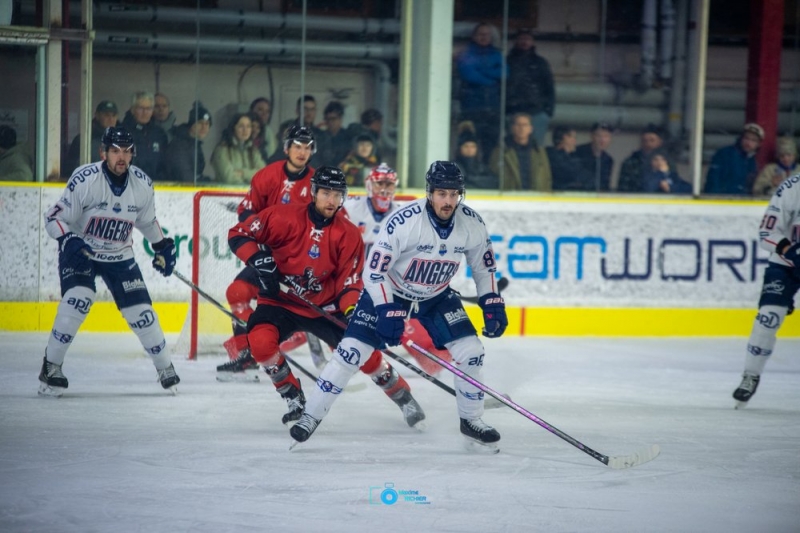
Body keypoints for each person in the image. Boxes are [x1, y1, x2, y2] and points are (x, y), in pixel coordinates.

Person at [291, 161, 508, 451]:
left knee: (472, 352)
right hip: (391, 291)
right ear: (430, 193)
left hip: (437, 296)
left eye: (454, 194)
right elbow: (373, 272)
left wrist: (492, 301)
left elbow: (484, 268)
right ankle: (310, 417)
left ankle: (471, 420)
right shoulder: (404, 221)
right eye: (441, 193)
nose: (448, 201)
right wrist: (385, 308)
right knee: (350, 353)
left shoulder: (472, 223)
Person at [226, 166, 426, 427]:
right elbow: (239, 233)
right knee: (261, 344)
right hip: (280, 301)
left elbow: (349, 282)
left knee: (364, 354)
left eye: (337, 195)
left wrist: (352, 309)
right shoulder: (281, 216)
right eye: (325, 193)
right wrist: (257, 258)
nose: (331, 201)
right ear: (313, 193)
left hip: (327, 308)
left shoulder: (349, 234)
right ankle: (292, 395)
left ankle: (402, 395)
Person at [39, 126, 179, 396]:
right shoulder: (86, 179)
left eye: (127, 151)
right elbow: (53, 218)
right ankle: (51, 366)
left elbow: (147, 222)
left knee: (143, 314)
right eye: (115, 151)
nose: (121, 157)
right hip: (83, 252)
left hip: (119, 256)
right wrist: (68, 239)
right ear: (103, 152)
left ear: (133, 153)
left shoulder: (142, 185)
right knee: (77, 301)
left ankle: (165, 368)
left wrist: (161, 245)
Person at [342, 163, 454, 376]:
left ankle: (446, 362)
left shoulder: (405, 215)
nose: (384, 189)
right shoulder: (350, 207)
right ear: (369, 185)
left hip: (388, 286)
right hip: (351, 283)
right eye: (379, 184)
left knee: (424, 348)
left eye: (389, 184)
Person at [218, 125, 318, 365]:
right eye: (297, 146)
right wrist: (259, 232)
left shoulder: (316, 183)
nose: (302, 152)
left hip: (300, 260)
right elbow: (247, 209)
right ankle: (246, 354)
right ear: (287, 148)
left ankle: (298, 336)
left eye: (307, 148)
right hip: (269, 256)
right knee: (237, 292)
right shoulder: (267, 175)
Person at [732, 173, 800, 408]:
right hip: (785, 264)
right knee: (768, 317)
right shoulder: (793, 187)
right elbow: (766, 232)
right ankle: (750, 375)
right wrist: (791, 252)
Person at [456, 23, 505, 163]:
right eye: (480, 34)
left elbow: (504, 73)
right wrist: (491, 79)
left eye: (487, 34)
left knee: (491, 146)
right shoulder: (466, 54)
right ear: (474, 36)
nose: (484, 37)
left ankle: (486, 174)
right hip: (472, 107)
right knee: (470, 144)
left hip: (493, 108)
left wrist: (481, 70)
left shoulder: (497, 54)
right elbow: (469, 75)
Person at [505, 28, 555, 148]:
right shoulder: (508, 61)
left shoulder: (540, 62)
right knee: (513, 149)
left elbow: (549, 87)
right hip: (513, 110)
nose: (524, 42)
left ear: (533, 42)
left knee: (536, 148)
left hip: (537, 112)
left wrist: (548, 112)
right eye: (521, 39)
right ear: (516, 41)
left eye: (527, 39)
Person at [489, 112, 552, 191]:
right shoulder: (500, 152)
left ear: (530, 129)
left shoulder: (540, 152)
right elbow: (494, 175)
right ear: (512, 128)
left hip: (536, 199)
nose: (521, 128)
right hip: (509, 199)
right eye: (518, 125)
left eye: (525, 125)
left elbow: (547, 177)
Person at [704, 123, 763, 196]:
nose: (748, 143)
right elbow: (713, 181)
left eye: (753, 140)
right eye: (746, 138)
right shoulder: (724, 154)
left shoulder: (752, 162)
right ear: (741, 138)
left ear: (759, 144)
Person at [120, 91, 168, 181]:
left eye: (148, 108)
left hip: (156, 186)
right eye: (141, 108)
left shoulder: (159, 133)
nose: (145, 112)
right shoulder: (122, 132)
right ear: (133, 109)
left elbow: (165, 163)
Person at [64, 100, 119, 177]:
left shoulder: (121, 141)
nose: (111, 119)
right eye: (106, 115)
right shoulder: (83, 139)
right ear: (97, 115)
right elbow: (71, 170)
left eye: (113, 115)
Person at [163, 102, 213, 183]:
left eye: (207, 124)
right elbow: (185, 177)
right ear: (192, 124)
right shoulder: (179, 145)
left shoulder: (195, 144)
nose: (204, 127)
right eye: (200, 123)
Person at [211, 113, 265, 185]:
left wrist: (243, 173)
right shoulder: (222, 150)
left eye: (248, 126)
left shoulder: (253, 150)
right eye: (241, 126)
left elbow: (264, 175)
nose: (245, 130)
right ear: (233, 128)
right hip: (226, 194)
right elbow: (229, 178)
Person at [617, 124, 665, 192]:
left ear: (660, 142)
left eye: (652, 140)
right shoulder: (630, 163)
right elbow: (623, 189)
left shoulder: (668, 162)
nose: (648, 144)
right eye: (645, 141)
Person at [547, 125, 594, 191]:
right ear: (565, 138)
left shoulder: (572, 158)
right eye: (573, 138)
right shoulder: (555, 158)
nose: (575, 141)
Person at [454, 122, 497, 189]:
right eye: (466, 146)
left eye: (473, 146)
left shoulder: (482, 167)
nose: (469, 149)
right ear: (460, 149)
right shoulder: (454, 166)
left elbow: (493, 182)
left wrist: (469, 179)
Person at [574, 122, 614, 191]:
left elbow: (604, 185)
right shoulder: (577, 153)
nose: (602, 140)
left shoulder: (608, 160)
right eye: (599, 136)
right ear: (592, 136)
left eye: (606, 136)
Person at [317, 101, 352, 168]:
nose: (330, 122)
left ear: (340, 119)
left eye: (333, 119)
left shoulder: (348, 137)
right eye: (327, 119)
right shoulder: (320, 138)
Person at [249, 97, 278, 162]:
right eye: (260, 110)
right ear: (252, 110)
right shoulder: (244, 128)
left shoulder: (268, 131)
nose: (264, 114)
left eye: (267, 111)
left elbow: (271, 154)